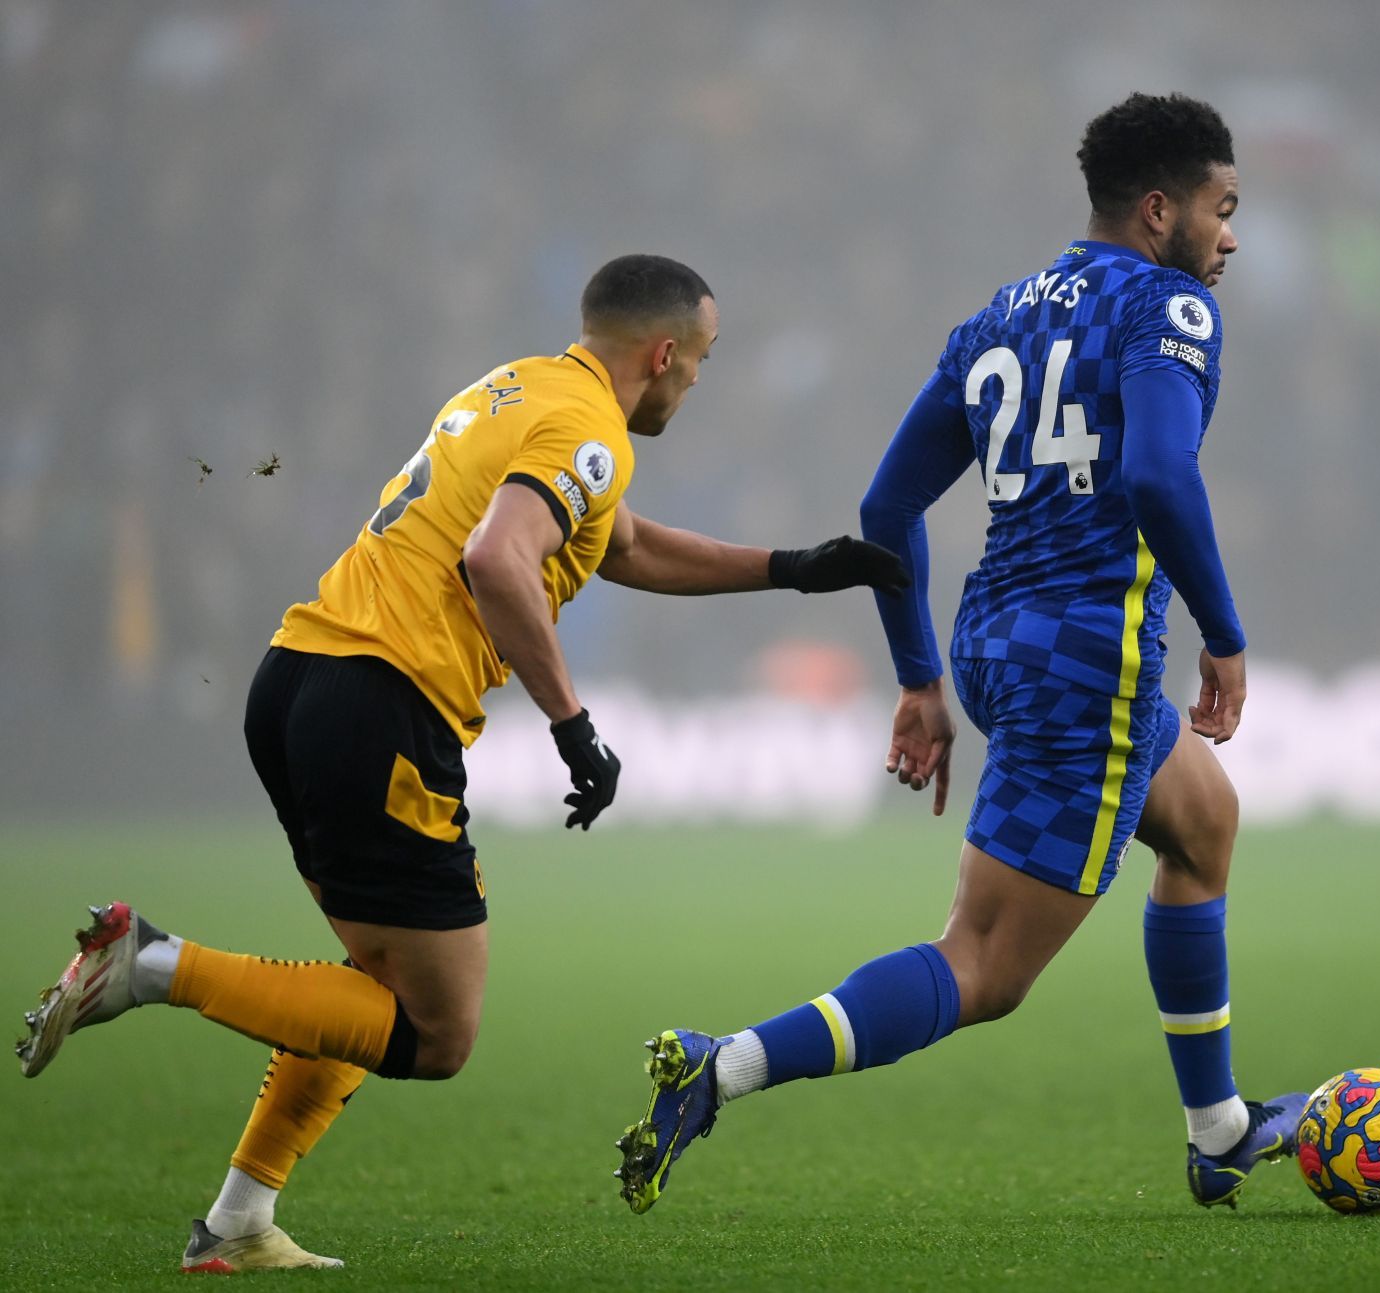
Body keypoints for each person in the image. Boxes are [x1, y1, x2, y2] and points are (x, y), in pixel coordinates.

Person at [14, 254, 908, 1272]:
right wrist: (573, 724)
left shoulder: (519, 386)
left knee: (370, 981)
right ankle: (152, 967)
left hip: (301, 676)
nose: (697, 381)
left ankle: (237, 1224)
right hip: (384, 705)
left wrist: (792, 571)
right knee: (436, 1031)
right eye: (701, 361)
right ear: (663, 354)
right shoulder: (591, 430)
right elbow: (497, 559)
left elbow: (613, 546)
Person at [614, 94, 1305, 1218]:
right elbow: (1161, 480)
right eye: (1223, 212)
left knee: (1203, 823)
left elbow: (889, 503)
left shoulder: (997, 319)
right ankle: (722, 1063)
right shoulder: (1167, 307)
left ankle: (1219, 1129)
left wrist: (920, 676)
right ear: (1160, 209)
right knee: (981, 966)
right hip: (1089, 663)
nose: (1231, 237)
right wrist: (1224, 636)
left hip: (994, 644)